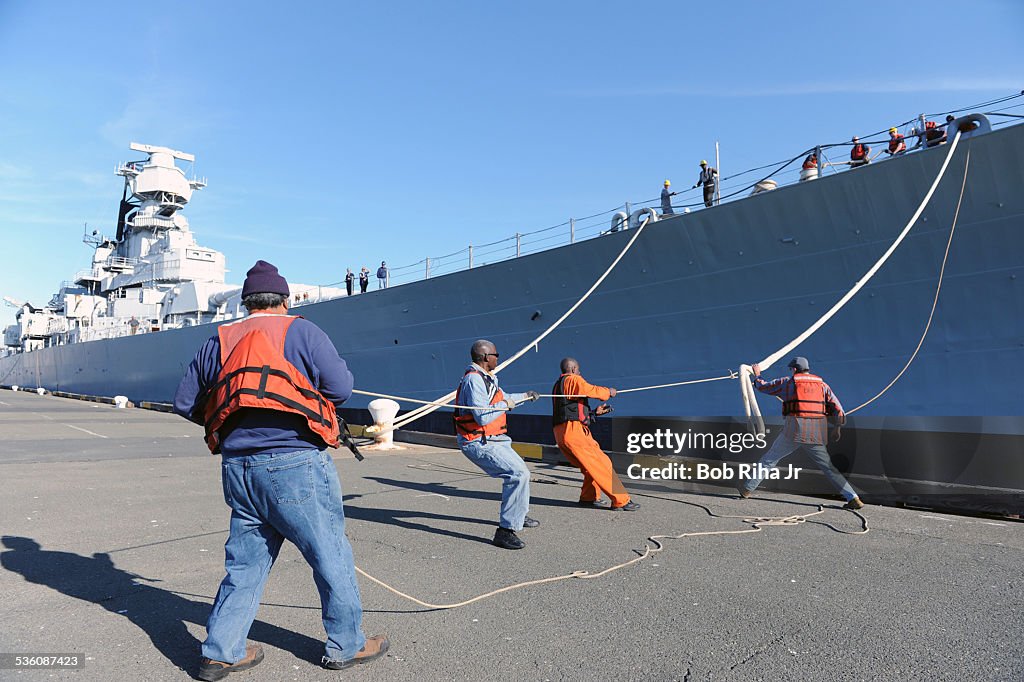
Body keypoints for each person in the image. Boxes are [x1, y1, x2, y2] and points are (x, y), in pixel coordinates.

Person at [172, 260, 388, 679]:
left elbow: (185, 402)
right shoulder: (302, 331)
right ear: (285, 300)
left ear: (244, 302)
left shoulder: (218, 340)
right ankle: (348, 644)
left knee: (245, 564)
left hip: (238, 468)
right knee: (329, 554)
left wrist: (230, 421)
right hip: (296, 462)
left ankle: (221, 651)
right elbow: (340, 389)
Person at [737, 357, 864, 510]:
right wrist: (837, 427)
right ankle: (853, 497)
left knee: (769, 459)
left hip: (793, 432)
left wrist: (757, 375)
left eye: (791, 369)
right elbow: (838, 409)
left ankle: (747, 489)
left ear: (795, 369)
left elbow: (763, 387)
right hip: (816, 433)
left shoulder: (788, 383)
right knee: (829, 468)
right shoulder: (822, 385)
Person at [454, 340, 541, 549]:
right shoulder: (474, 381)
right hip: (478, 441)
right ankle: (505, 531)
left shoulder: (488, 379)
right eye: (496, 354)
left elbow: (503, 398)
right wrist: (506, 405)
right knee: (518, 474)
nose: (497, 358)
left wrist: (524, 397)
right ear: (485, 357)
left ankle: (517, 515)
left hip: (496, 439)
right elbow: (483, 416)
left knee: (521, 473)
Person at [552, 357, 638, 511]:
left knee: (588, 466)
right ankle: (621, 500)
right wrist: (608, 392)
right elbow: (590, 389)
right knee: (601, 464)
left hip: (562, 432)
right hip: (574, 432)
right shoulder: (572, 379)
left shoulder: (559, 385)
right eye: (578, 369)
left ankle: (588, 497)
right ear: (572, 369)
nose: (580, 372)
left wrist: (593, 413)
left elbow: (570, 411)